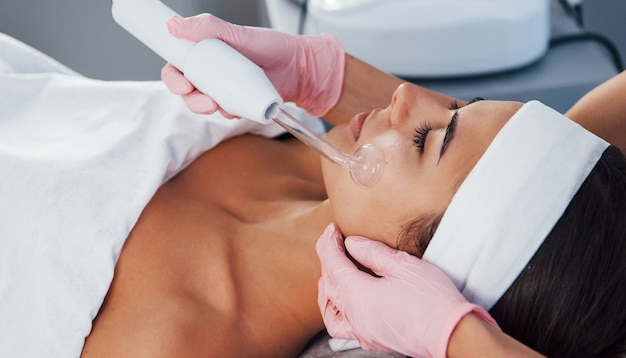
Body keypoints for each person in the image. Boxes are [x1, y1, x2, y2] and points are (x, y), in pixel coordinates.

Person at [0, 13, 623, 358]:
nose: (404, 95)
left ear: (420, 274)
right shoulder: (311, 164)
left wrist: (456, 335)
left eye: (429, 138)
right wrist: (330, 77)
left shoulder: (171, 345)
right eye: (461, 105)